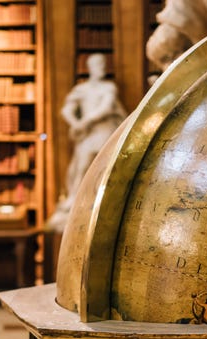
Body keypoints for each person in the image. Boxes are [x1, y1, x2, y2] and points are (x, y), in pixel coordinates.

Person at [46, 53, 126, 232]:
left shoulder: (108, 87)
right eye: (98, 65)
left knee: (105, 166)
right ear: (90, 68)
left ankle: (104, 200)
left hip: (103, 131)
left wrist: (84, 122)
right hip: (87, 134)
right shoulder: (81, 90)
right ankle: (76, 199)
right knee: (82, 166)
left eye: (104, 65)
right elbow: (67, 110)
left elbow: (106, 107)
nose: (102, 68)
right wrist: (75, 123)